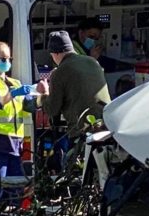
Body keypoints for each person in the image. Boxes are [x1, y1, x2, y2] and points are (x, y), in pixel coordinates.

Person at [37, 27, 111, 157]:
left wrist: (43, 94)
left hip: (83, 134)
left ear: (55, 53)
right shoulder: (93, 61)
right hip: (107, 126)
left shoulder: (60, 72)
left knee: (73, 165)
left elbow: (52, 109)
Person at [0, 40, 32, 209]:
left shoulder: (15, 82)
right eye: (3, 59)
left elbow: (30, 106)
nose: (7, 62)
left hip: (16, 144)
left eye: (9, 59)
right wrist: (13, 94)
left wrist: (42, 94)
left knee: (16, 189)